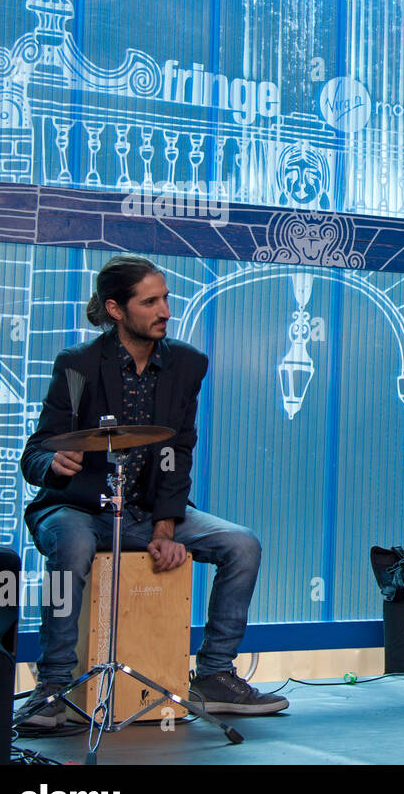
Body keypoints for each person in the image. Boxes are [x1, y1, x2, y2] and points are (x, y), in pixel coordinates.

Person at [16, 255, 287, 727]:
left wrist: (166, 527)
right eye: (151, 302)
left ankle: (215, 675)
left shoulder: (186, 364)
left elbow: (177, 453)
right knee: (72, 548)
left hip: (145, 509)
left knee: (242, 544)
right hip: (73, 506)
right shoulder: (78, 365)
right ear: (116, 310)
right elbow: (35, 452)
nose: (165, 310)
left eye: (166, 298)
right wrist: (54, 464)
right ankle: (53, 686)